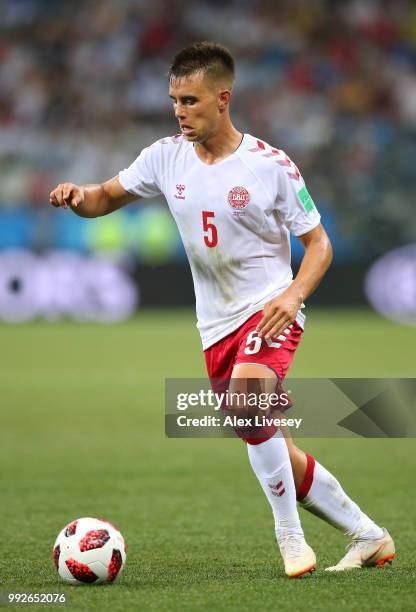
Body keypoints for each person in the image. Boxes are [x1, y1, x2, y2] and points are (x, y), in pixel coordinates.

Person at [50, 41, 394, 578]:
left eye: (190, 100)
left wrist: (293, 294)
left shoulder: (270, 166)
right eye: (174, 100)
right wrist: (77, 196)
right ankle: (368, 535)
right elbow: (104, 198)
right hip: (214, 326)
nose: (180, 111)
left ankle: (291, 539)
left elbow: (320, 245)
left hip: (270, 311)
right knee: (272, 443)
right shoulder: (165, 157)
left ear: (223, 99)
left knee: (246, 405)